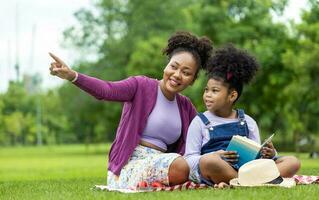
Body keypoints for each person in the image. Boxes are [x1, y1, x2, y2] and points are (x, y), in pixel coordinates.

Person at [48, 31, 213, 189]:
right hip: (130, 165)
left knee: (198, 164)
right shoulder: (141, 86)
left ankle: (165, 182)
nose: (177, 75)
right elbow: (107, 90)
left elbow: (204, 138)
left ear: (192, 80)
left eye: (186, 73)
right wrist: (72, 76)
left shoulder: (185, 106)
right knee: (183, 166)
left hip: (165, 161)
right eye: (174, 66)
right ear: (166, 65)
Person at [184, 44, 301, 185]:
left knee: (292, 161)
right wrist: (214, 155)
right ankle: (253, 181)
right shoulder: (200, 121)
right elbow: (189, 159)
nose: (207, 95)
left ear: (232, 95)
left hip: (248, 169)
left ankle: (243, 181)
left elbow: (256, 158)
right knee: (210, 162)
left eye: (214, 91)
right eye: (206, 90)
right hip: (219, 169)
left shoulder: (247, 121)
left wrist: (269, 154)